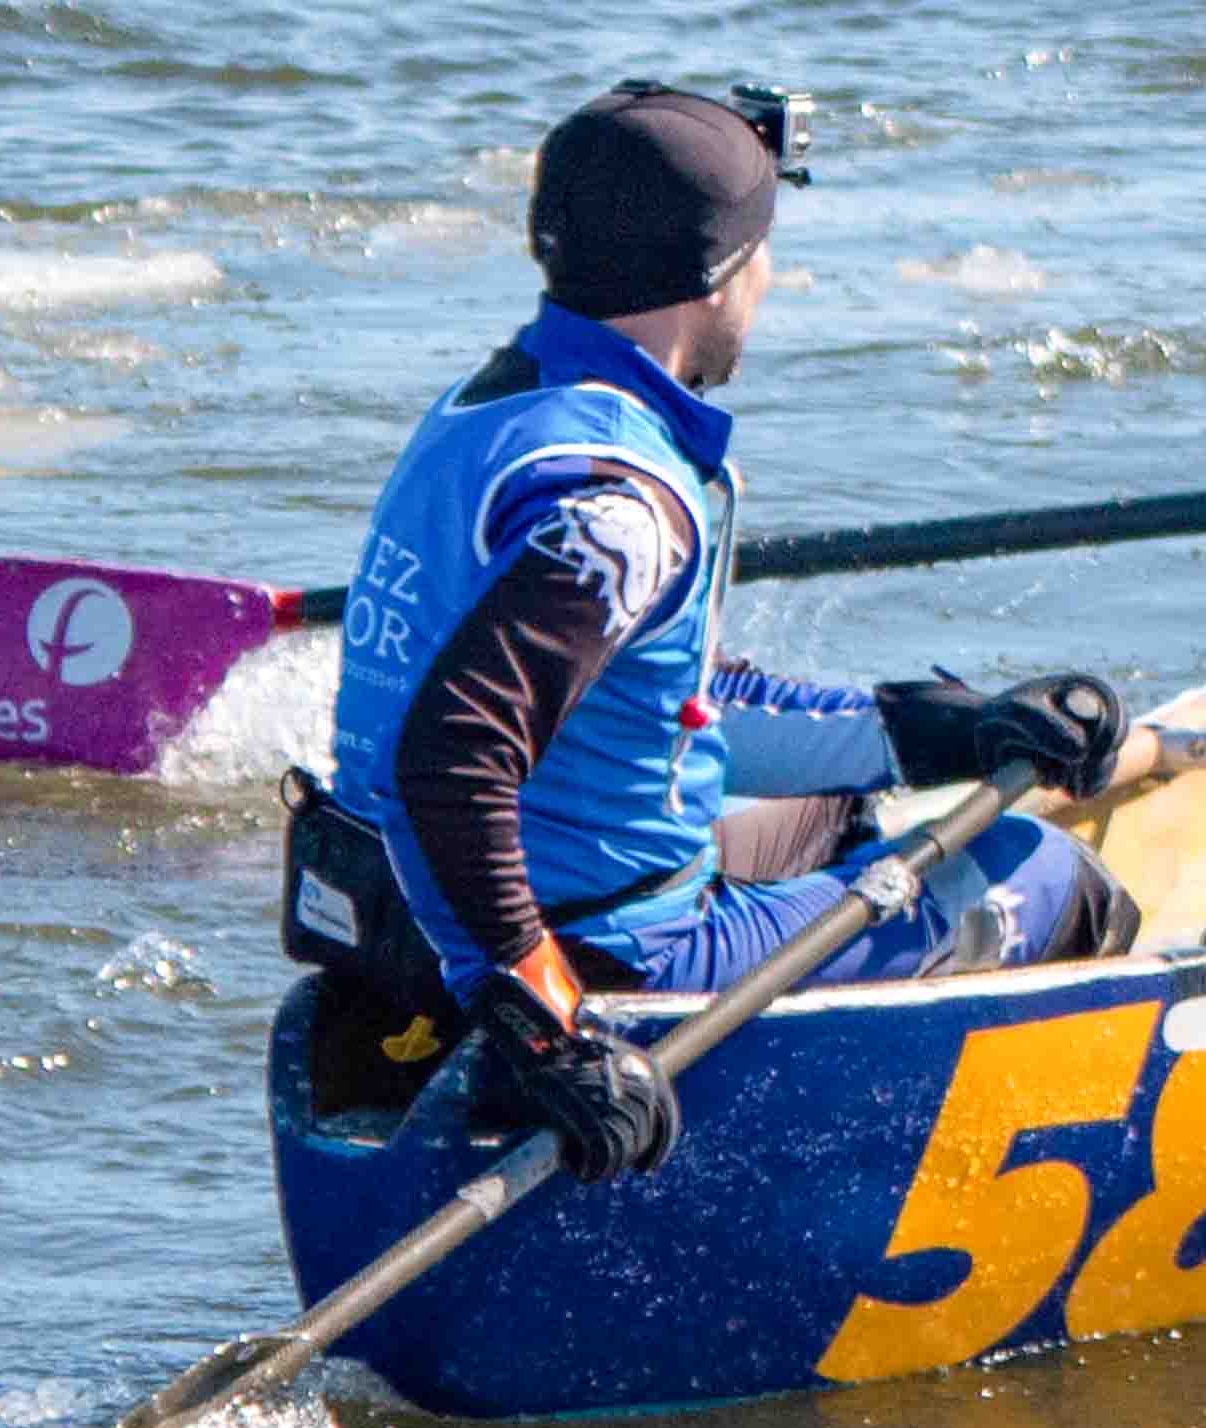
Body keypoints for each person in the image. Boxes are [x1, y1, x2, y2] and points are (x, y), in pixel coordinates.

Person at [297, 81, 1135, 1182]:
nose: (772, 280)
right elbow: (454, 752)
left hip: (395, 917)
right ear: (718, 275)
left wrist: (942, 728)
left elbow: (675, 707)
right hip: (594, 960)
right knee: (1045, 870)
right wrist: (537, 1003)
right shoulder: (625, 511)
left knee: (834, 802)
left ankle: (808, 1069)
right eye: (766, 251)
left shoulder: (496, 404)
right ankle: (926, 1192)